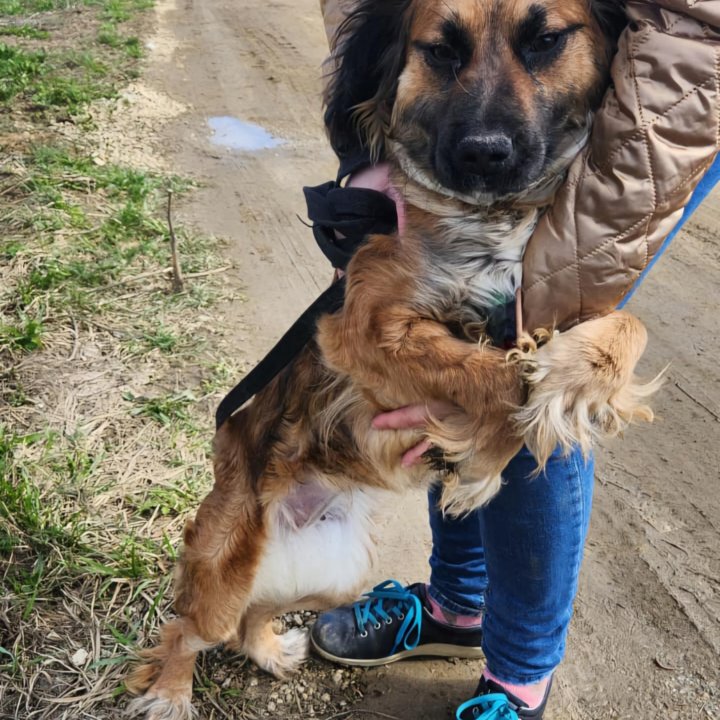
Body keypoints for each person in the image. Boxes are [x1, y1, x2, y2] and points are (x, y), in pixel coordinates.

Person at [309, 1, 720, 718]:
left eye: (544, 44)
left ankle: (521, 674)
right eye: (446, 52)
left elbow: (697, 41)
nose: (487, 130)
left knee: (545, 374)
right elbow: (364, 31)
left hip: (667, 87)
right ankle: (458, 607)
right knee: (464, 354)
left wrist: (542, 321)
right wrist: (366, 149)